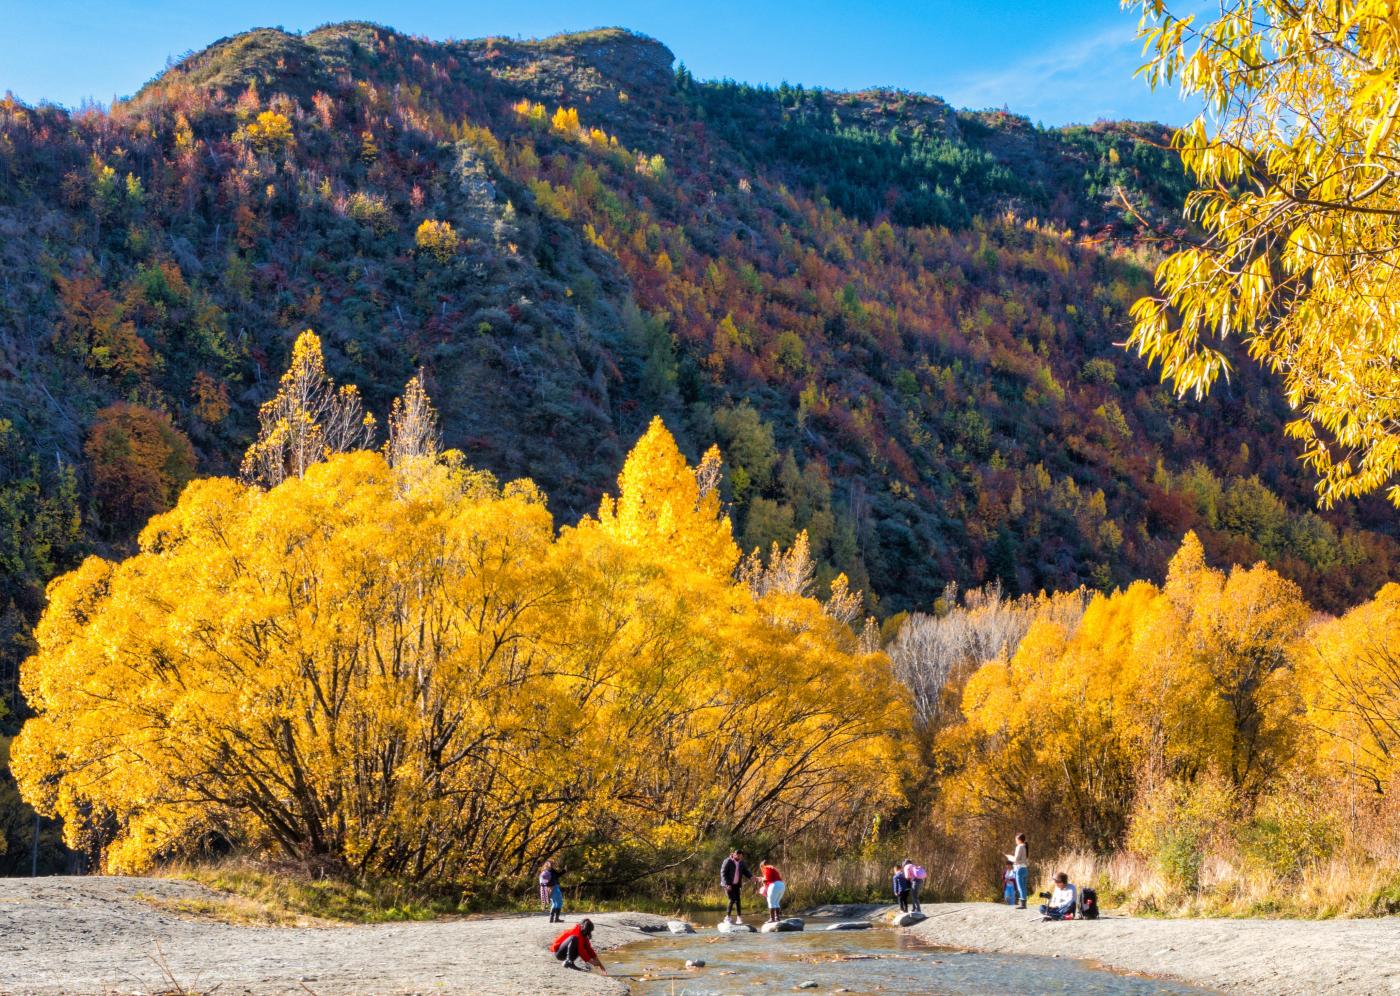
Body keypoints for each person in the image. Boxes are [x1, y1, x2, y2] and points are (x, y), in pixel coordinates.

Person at [720, 849, 753, 923]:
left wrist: (751, 877)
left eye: (740, 856)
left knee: (738, 900)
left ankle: (739, 918)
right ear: (734, 854)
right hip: (728, 884)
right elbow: (723, 873)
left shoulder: (741, 862)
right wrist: (727, 884)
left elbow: (745, 871)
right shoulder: (728, 861)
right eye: (737, 855)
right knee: (732, 899)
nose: (739, 857)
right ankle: (727, 917)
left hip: (737, 884)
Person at [1005, 833, 1029, 910]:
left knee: (1020, 887)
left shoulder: (1019, 846)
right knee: (1024, 887)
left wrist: (1009, 857)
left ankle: (1022, 904)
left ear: (1018, 840)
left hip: (1019, 869)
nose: (1015, 841)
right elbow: (1022, 859)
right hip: (1025, 869)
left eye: (1016, 840)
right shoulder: (1025, 846)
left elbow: (1016, 860)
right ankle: (1024, 903)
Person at [758, 858, 785, 922]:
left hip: (774, 885)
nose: (761, 870)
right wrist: (762, 878)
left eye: (761, 868)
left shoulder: (767, 868)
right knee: (776, 902)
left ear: (762, 865)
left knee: (771, 902)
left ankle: (772, 919)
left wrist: (761, 880)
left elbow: (767, 879)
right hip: (781, 885)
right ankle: (777, 918)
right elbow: (769, 877)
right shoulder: (773, 868)